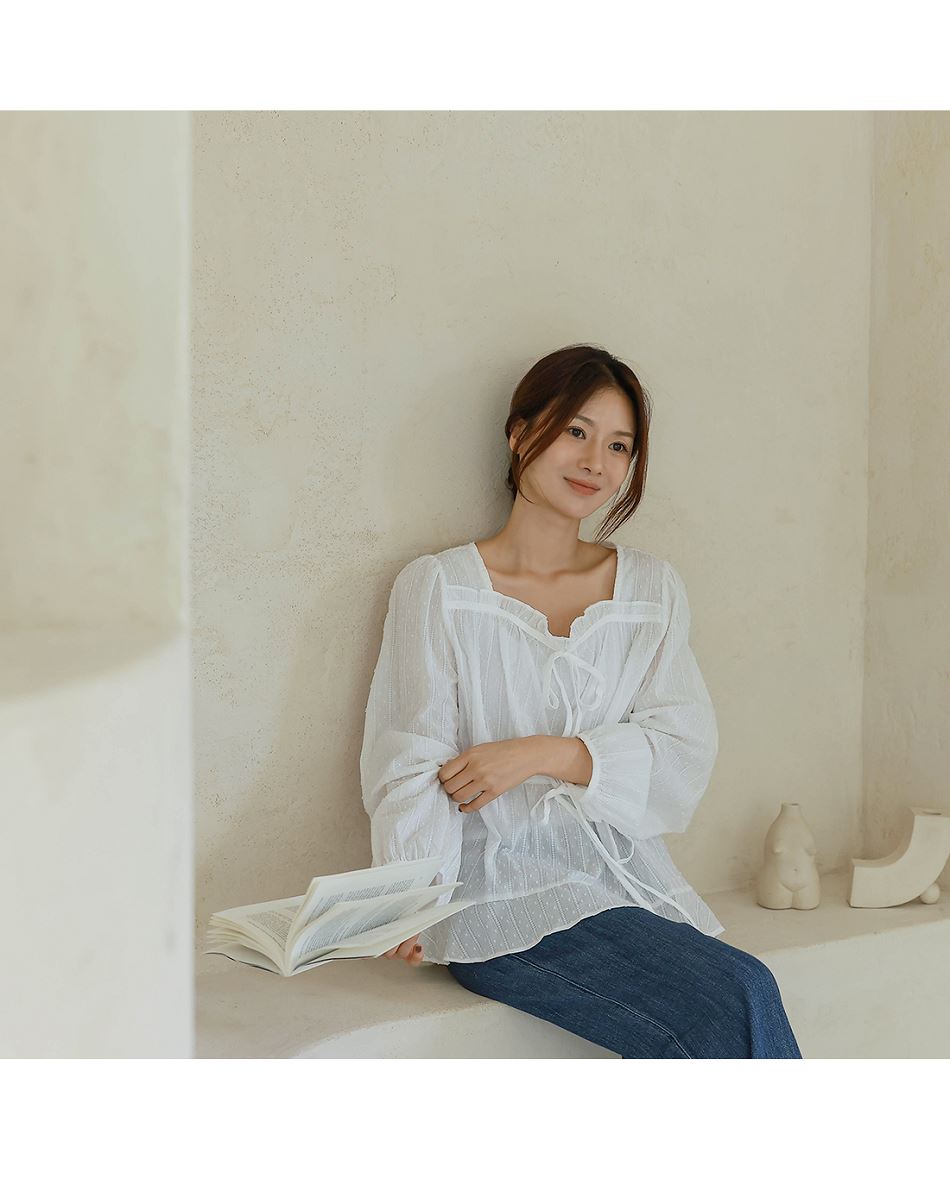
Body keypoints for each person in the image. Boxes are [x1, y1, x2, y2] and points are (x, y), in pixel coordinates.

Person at [359, 343, 802, 1059]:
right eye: (576, 431)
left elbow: (683, 751)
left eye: (619, 445)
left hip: (620, 888)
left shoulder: (651, 592)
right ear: (519, 433)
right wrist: (407, 899)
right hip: (497, 899)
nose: (596, 461)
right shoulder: (441, 588)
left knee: (733, 999)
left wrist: (545, 754)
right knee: (737, 992)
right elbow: (410, 757)